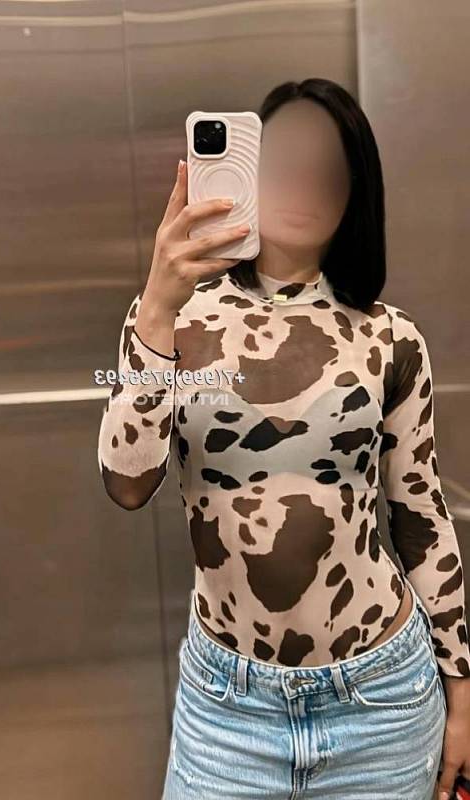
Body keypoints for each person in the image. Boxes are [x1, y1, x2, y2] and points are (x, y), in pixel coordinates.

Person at [97, 77, 470, 799]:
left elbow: (420, 515)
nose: (303, 183)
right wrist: (157, 307)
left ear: (353, 191)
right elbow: (127, 483)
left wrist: (462, 690)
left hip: (382, 699)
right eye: (283, 163)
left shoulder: (391, 338)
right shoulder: (174, 320)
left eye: (327, 169)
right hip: (227, 710)